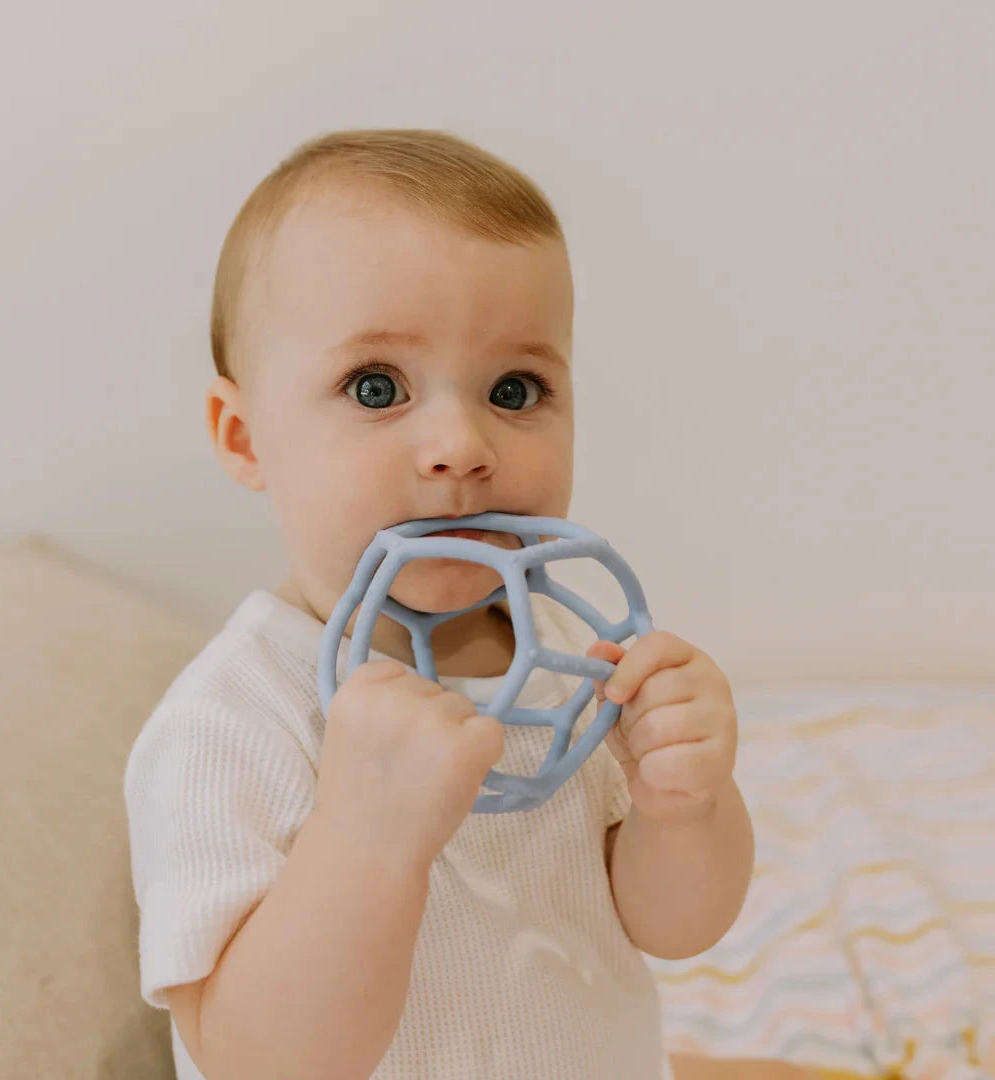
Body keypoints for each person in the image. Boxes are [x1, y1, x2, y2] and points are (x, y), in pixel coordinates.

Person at [124, 128, 824, 1080]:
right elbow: (259, 1061)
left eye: (514, 387)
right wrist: (366, 839)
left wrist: (686, 809)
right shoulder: (228, 724)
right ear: (244, 436)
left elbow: (674, 927)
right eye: (377, 388)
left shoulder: (575, 652)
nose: (460, 442)